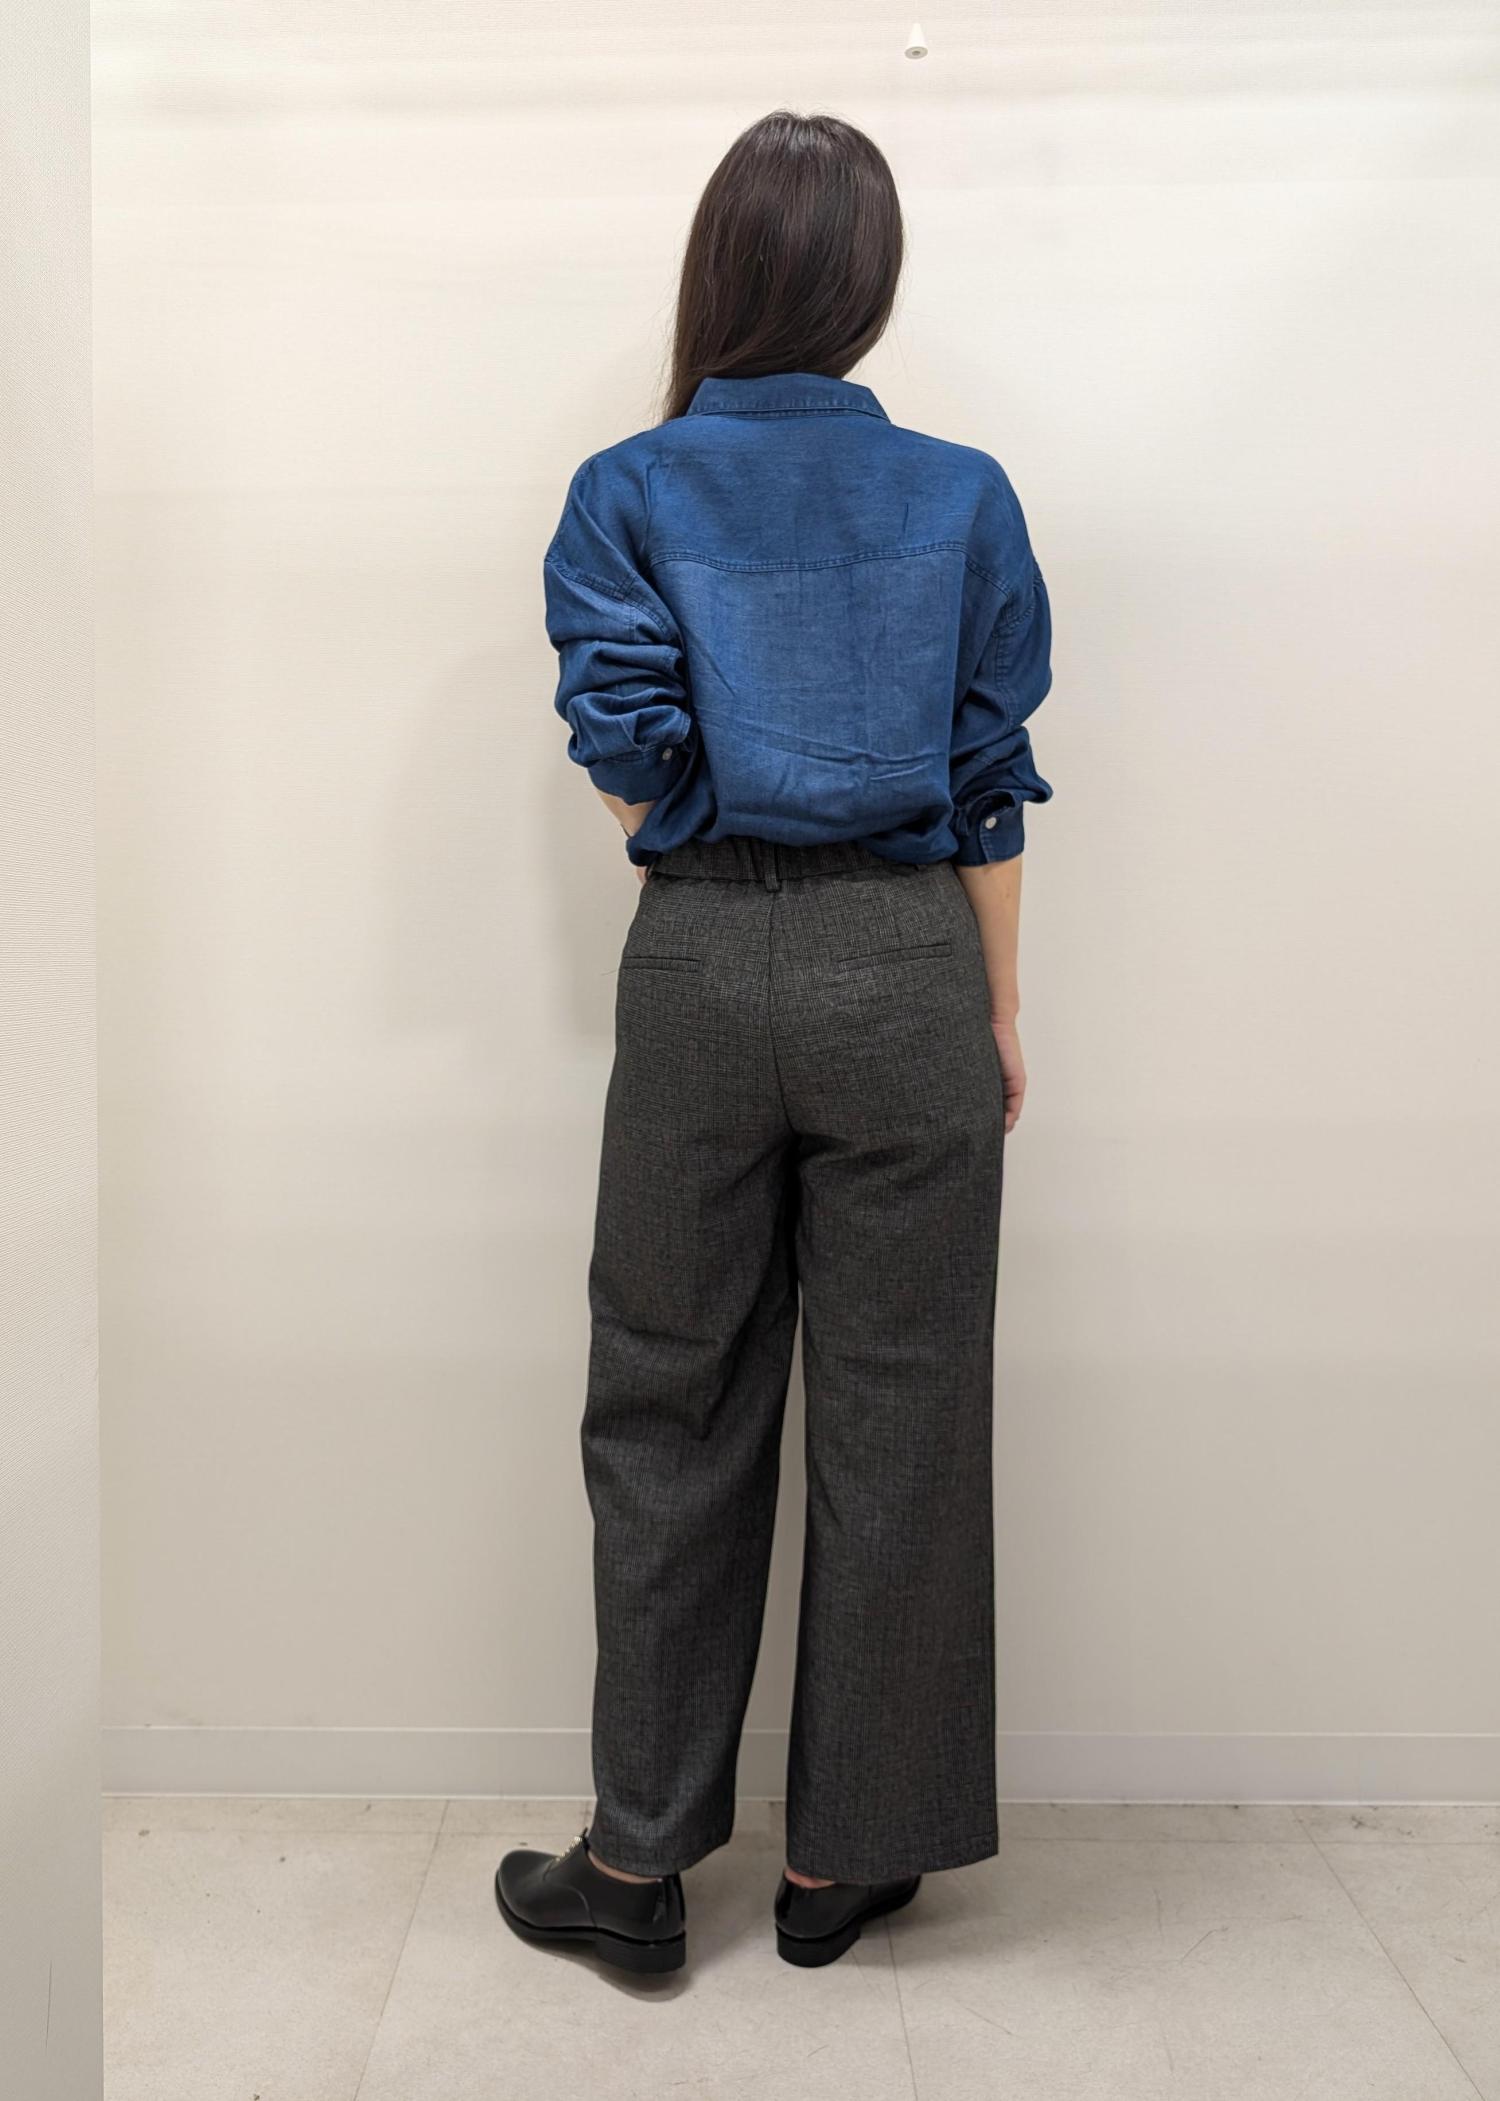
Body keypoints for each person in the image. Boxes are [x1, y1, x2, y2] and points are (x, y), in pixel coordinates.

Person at [496, 107, 1053, 1977]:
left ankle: (636, 1867)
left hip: (703, 964)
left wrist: (721, 838)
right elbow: (988, 781)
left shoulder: (627, 487)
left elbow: (631, 755)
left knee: (667, 1399)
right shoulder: (963, 493)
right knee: (908, 1412)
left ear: (718, 267)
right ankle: (841, 1866)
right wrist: (993, 1007)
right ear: (867, 285)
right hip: (907, 967)